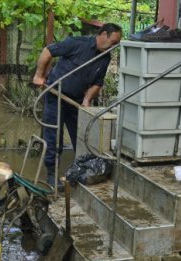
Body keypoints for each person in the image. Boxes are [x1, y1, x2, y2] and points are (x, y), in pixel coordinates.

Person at [33, 23, 122, 191]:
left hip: (75, 101)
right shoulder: (77, 43)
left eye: (117, 44)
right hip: (55, 95)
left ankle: (78, 172)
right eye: (113, 42)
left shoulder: (105, 57)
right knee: (53, 136)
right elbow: (48, 51)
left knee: (81, 137)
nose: (114, 46)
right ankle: (51, 176)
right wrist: (39, 75)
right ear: (103, 34)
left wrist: (87, 99)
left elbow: (97, 82)